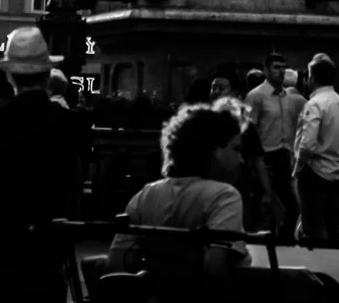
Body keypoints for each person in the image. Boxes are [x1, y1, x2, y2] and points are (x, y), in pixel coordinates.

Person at [0, 27, 83, 303]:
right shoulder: (68, 124)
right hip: (44, 256)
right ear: (47, 75)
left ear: (9, 75)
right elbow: (74, 190)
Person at [108, 104, 252, 277]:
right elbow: (215, 268)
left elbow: (115, 265)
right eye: (236, 149)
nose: (241, 159)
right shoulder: (225, 196)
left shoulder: (145, 195)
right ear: (213, 150)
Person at [292, 55, 339, 247]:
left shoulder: (315, 104)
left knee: (314, 227)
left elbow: (307, 144)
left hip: (315, 172)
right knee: (334, 224)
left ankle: (318, 261)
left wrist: (298, 168)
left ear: (313, 78)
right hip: (336, 171)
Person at [245, 62, 296, 238]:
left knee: (284, 207)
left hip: (279, 156)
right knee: (266, 206)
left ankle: (279, 241)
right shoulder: (256, 97)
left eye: (283, 67)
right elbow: (250, 131)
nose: (281, 71)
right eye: (276, 67)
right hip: (265, 157)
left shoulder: (286, 97)